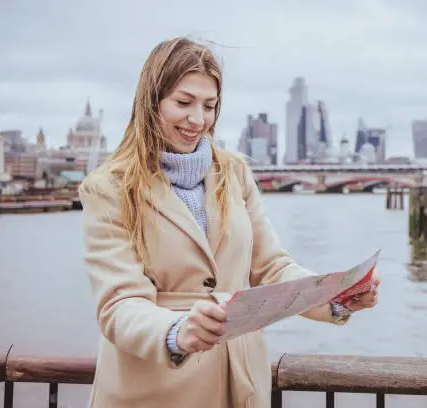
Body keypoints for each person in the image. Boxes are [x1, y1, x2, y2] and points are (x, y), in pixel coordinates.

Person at [78, 37, 380, 408]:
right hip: (154, 387)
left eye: (210, 106)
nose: (197, 119)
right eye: (183, 102)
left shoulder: (235, 172)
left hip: (239, 382)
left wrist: (335, 295)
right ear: (151, 101)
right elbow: (118, 304)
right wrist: (176, 331)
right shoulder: (108, 188)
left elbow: (271, 268)